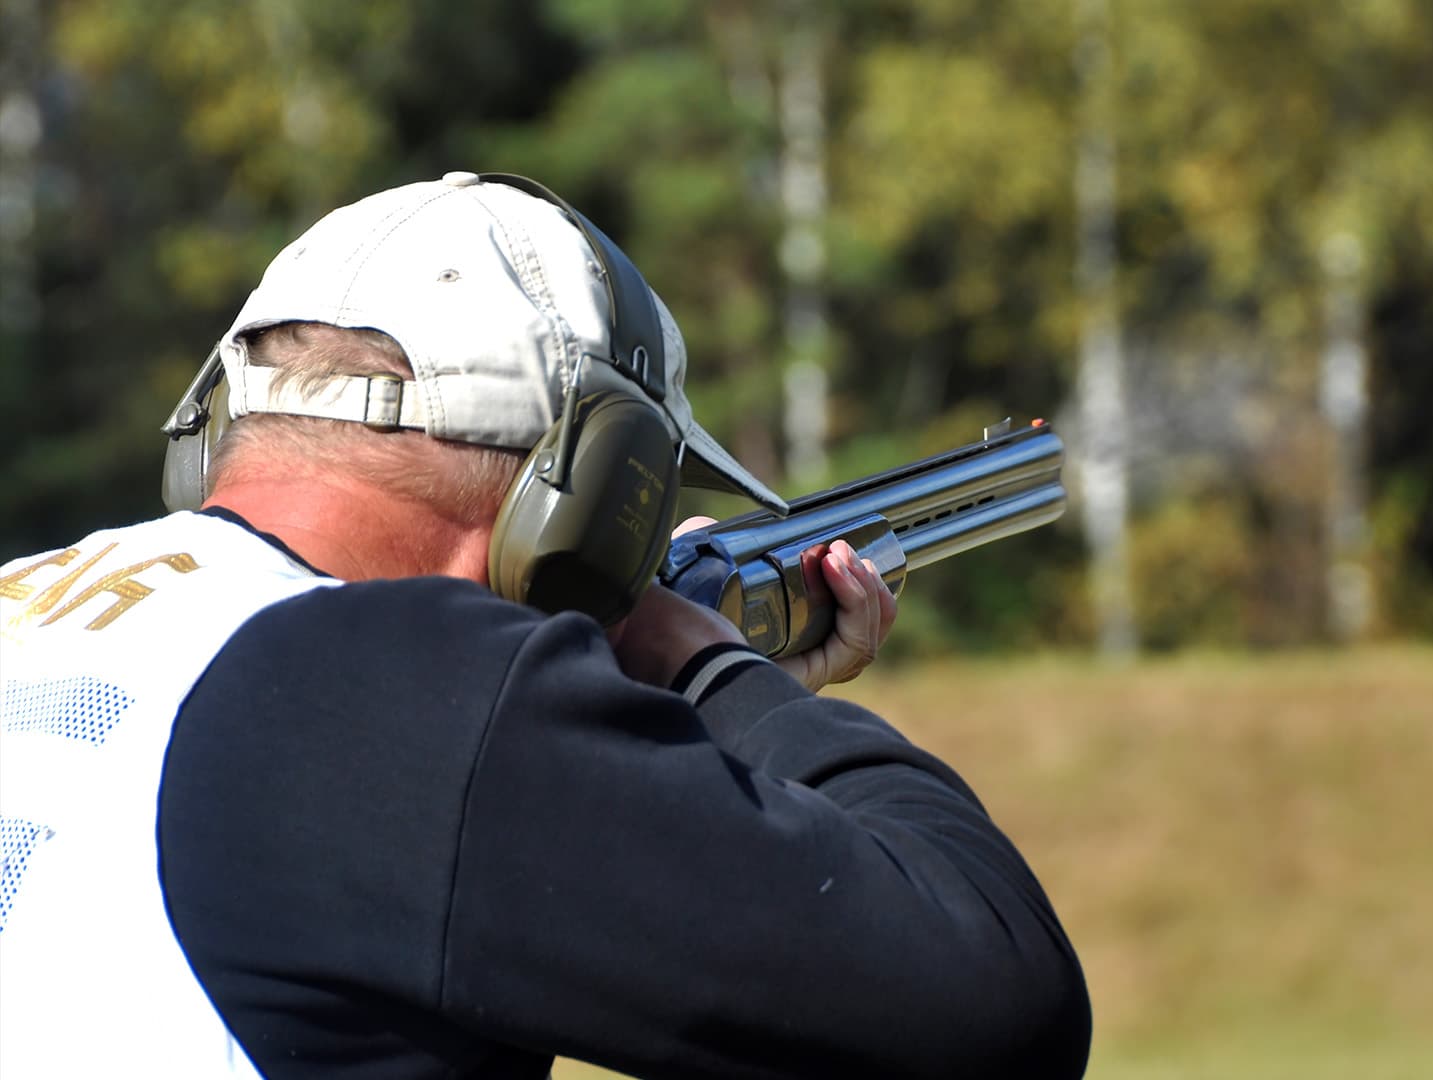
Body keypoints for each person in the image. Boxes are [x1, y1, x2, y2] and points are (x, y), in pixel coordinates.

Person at [0, 172, 1091, 1079]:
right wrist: (707, 664)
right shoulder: (397, 695)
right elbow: (995, 999)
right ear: (591, 497)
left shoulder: (31, 606)